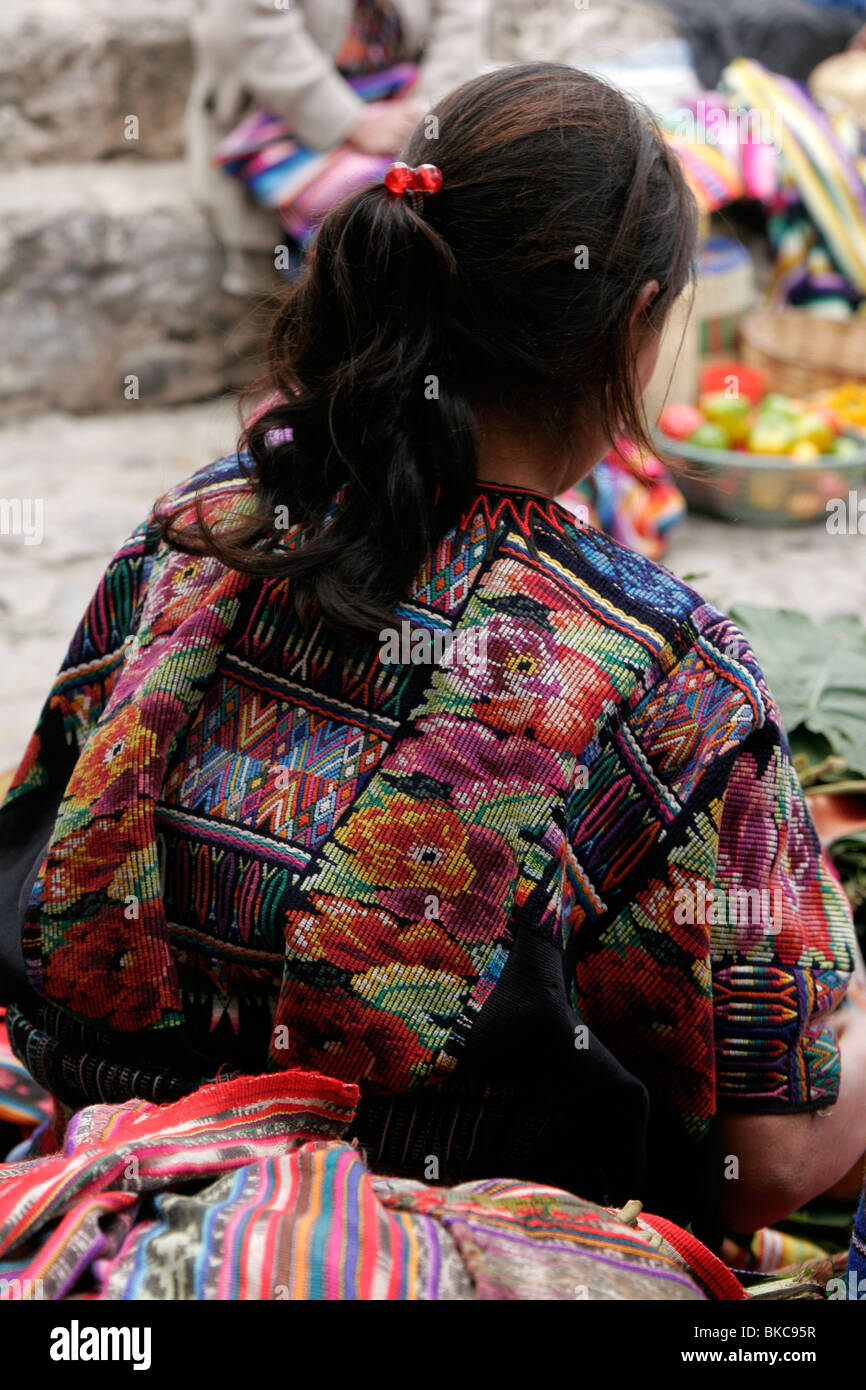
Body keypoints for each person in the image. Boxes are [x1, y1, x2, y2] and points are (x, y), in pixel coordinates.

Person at [1, 63, 863, 1242]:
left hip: (104, 1175)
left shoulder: (205, 530)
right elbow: (760, 1164)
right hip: (417, 1246)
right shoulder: (671, 677)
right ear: (633, 323)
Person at [186, 0, 492, 293]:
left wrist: (428, 113)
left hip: (408, 98)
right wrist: (350, 123)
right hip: (286, 116)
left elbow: (460, 17)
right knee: (371, 228)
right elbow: (243, 20)